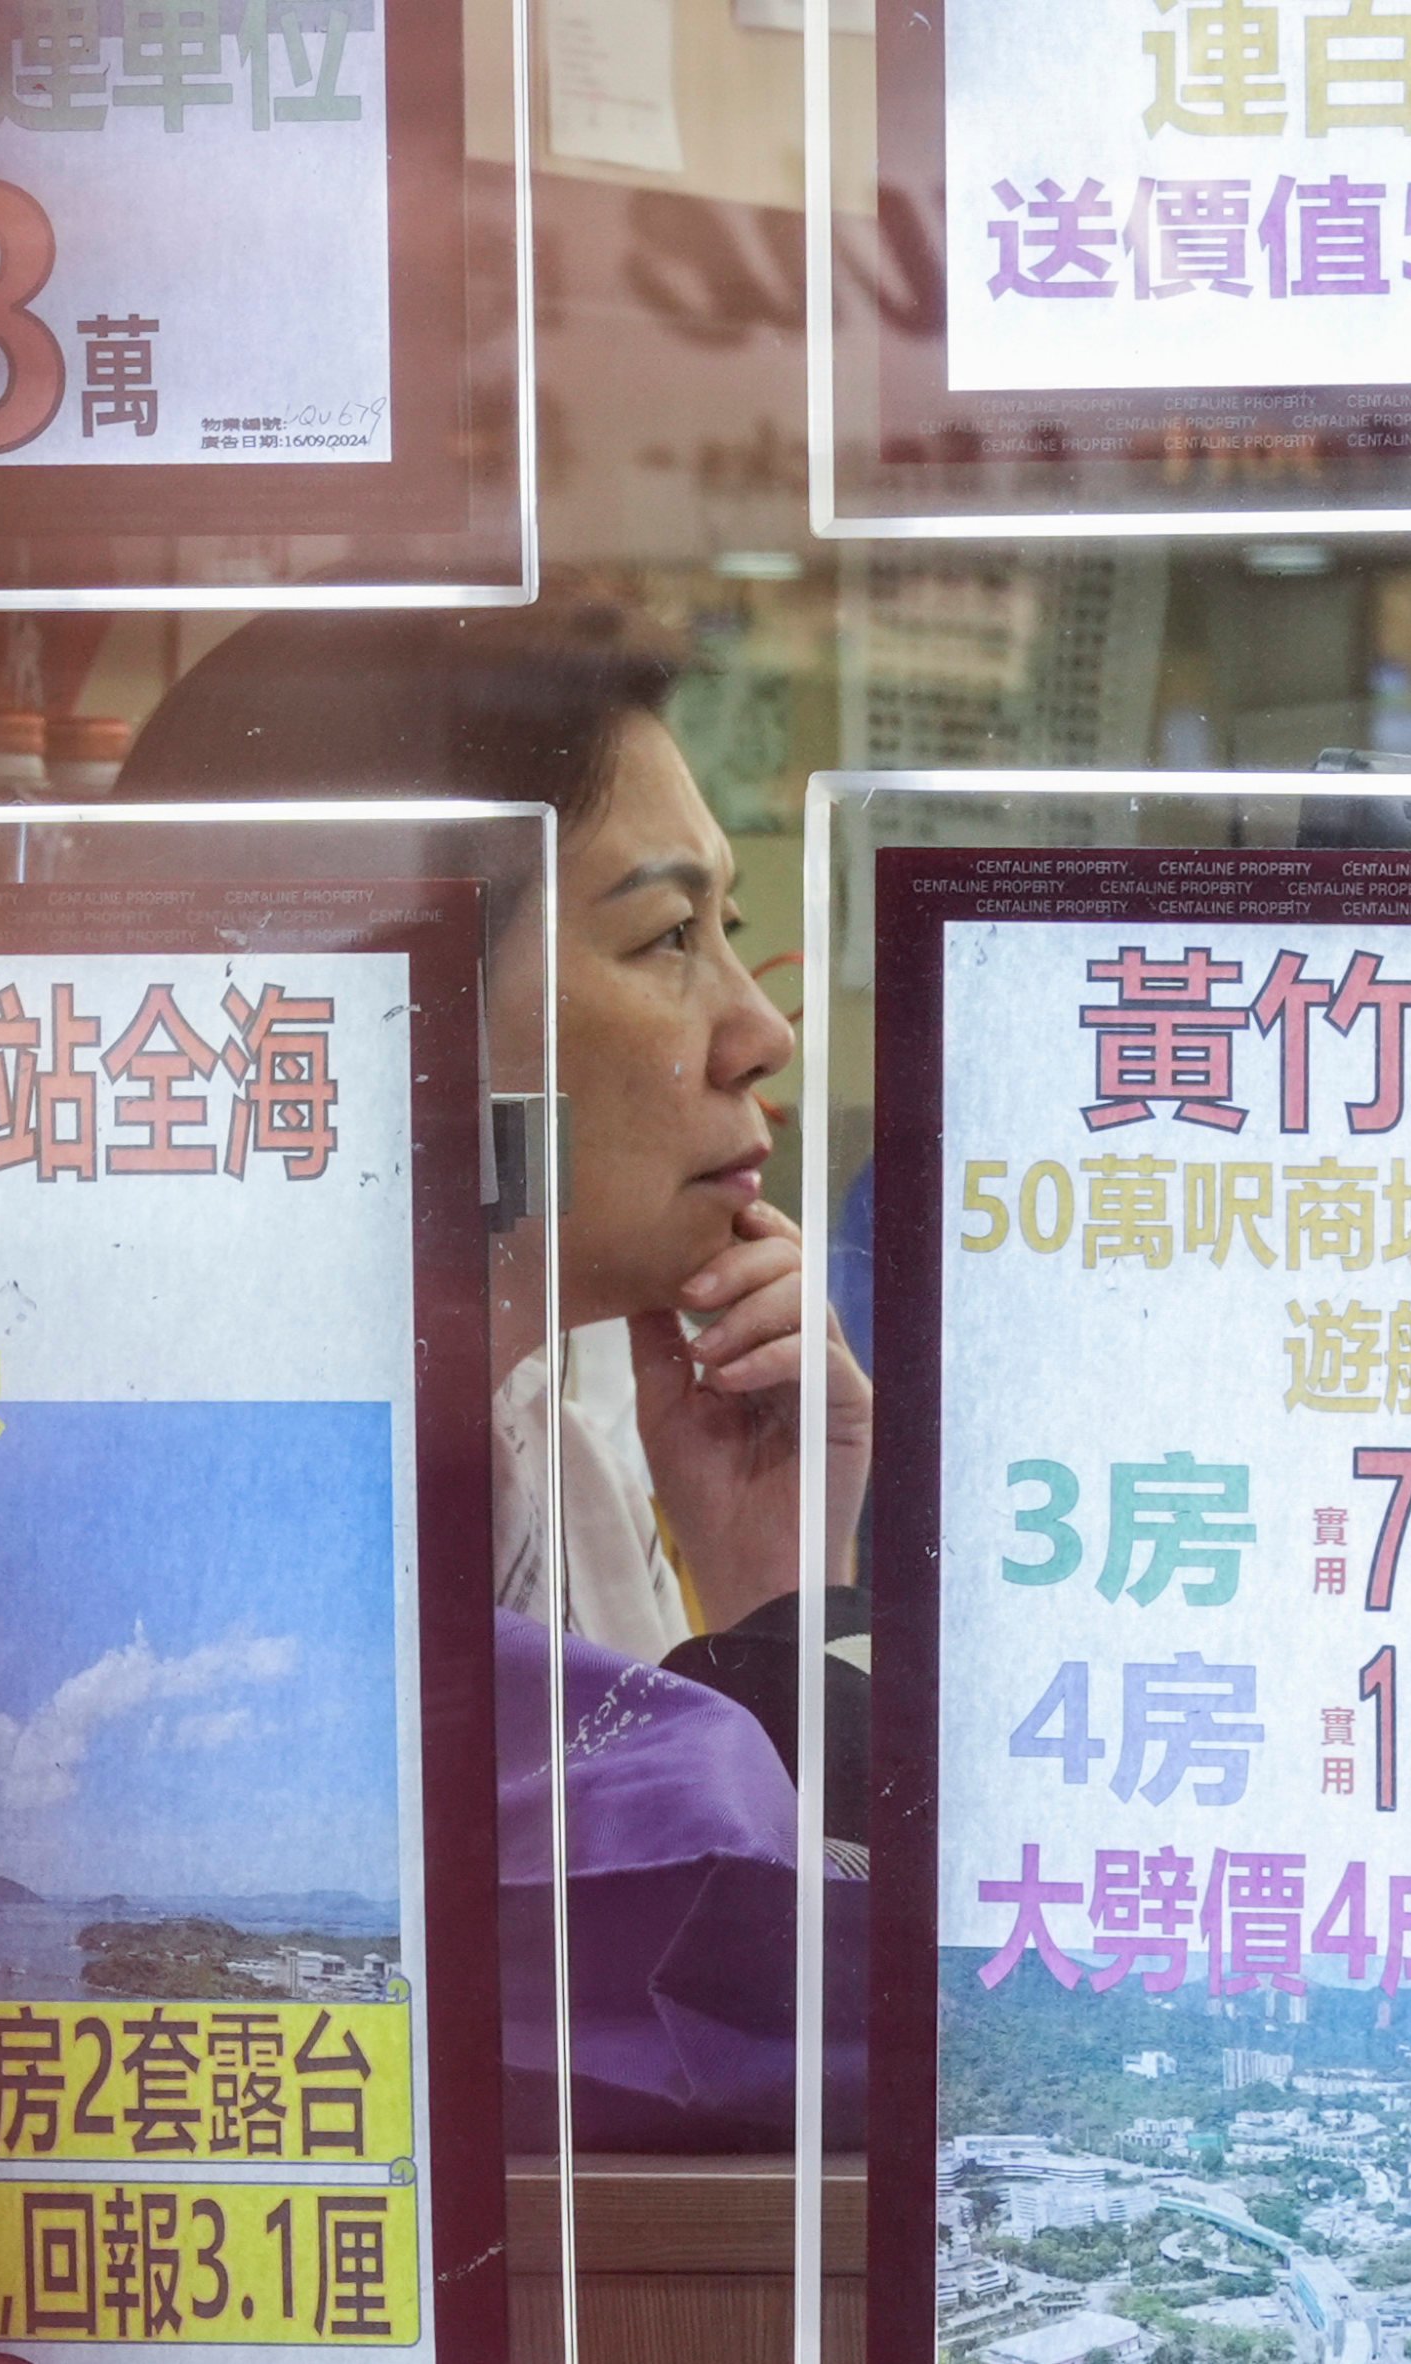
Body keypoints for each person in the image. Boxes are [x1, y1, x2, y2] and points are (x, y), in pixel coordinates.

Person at [117, 589, 871, 2150]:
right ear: (400, 1005)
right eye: (669, 938)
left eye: (728, 932)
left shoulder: (556, 1445)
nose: (755, 1032)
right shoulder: (227, 1559)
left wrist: (773, 1583)